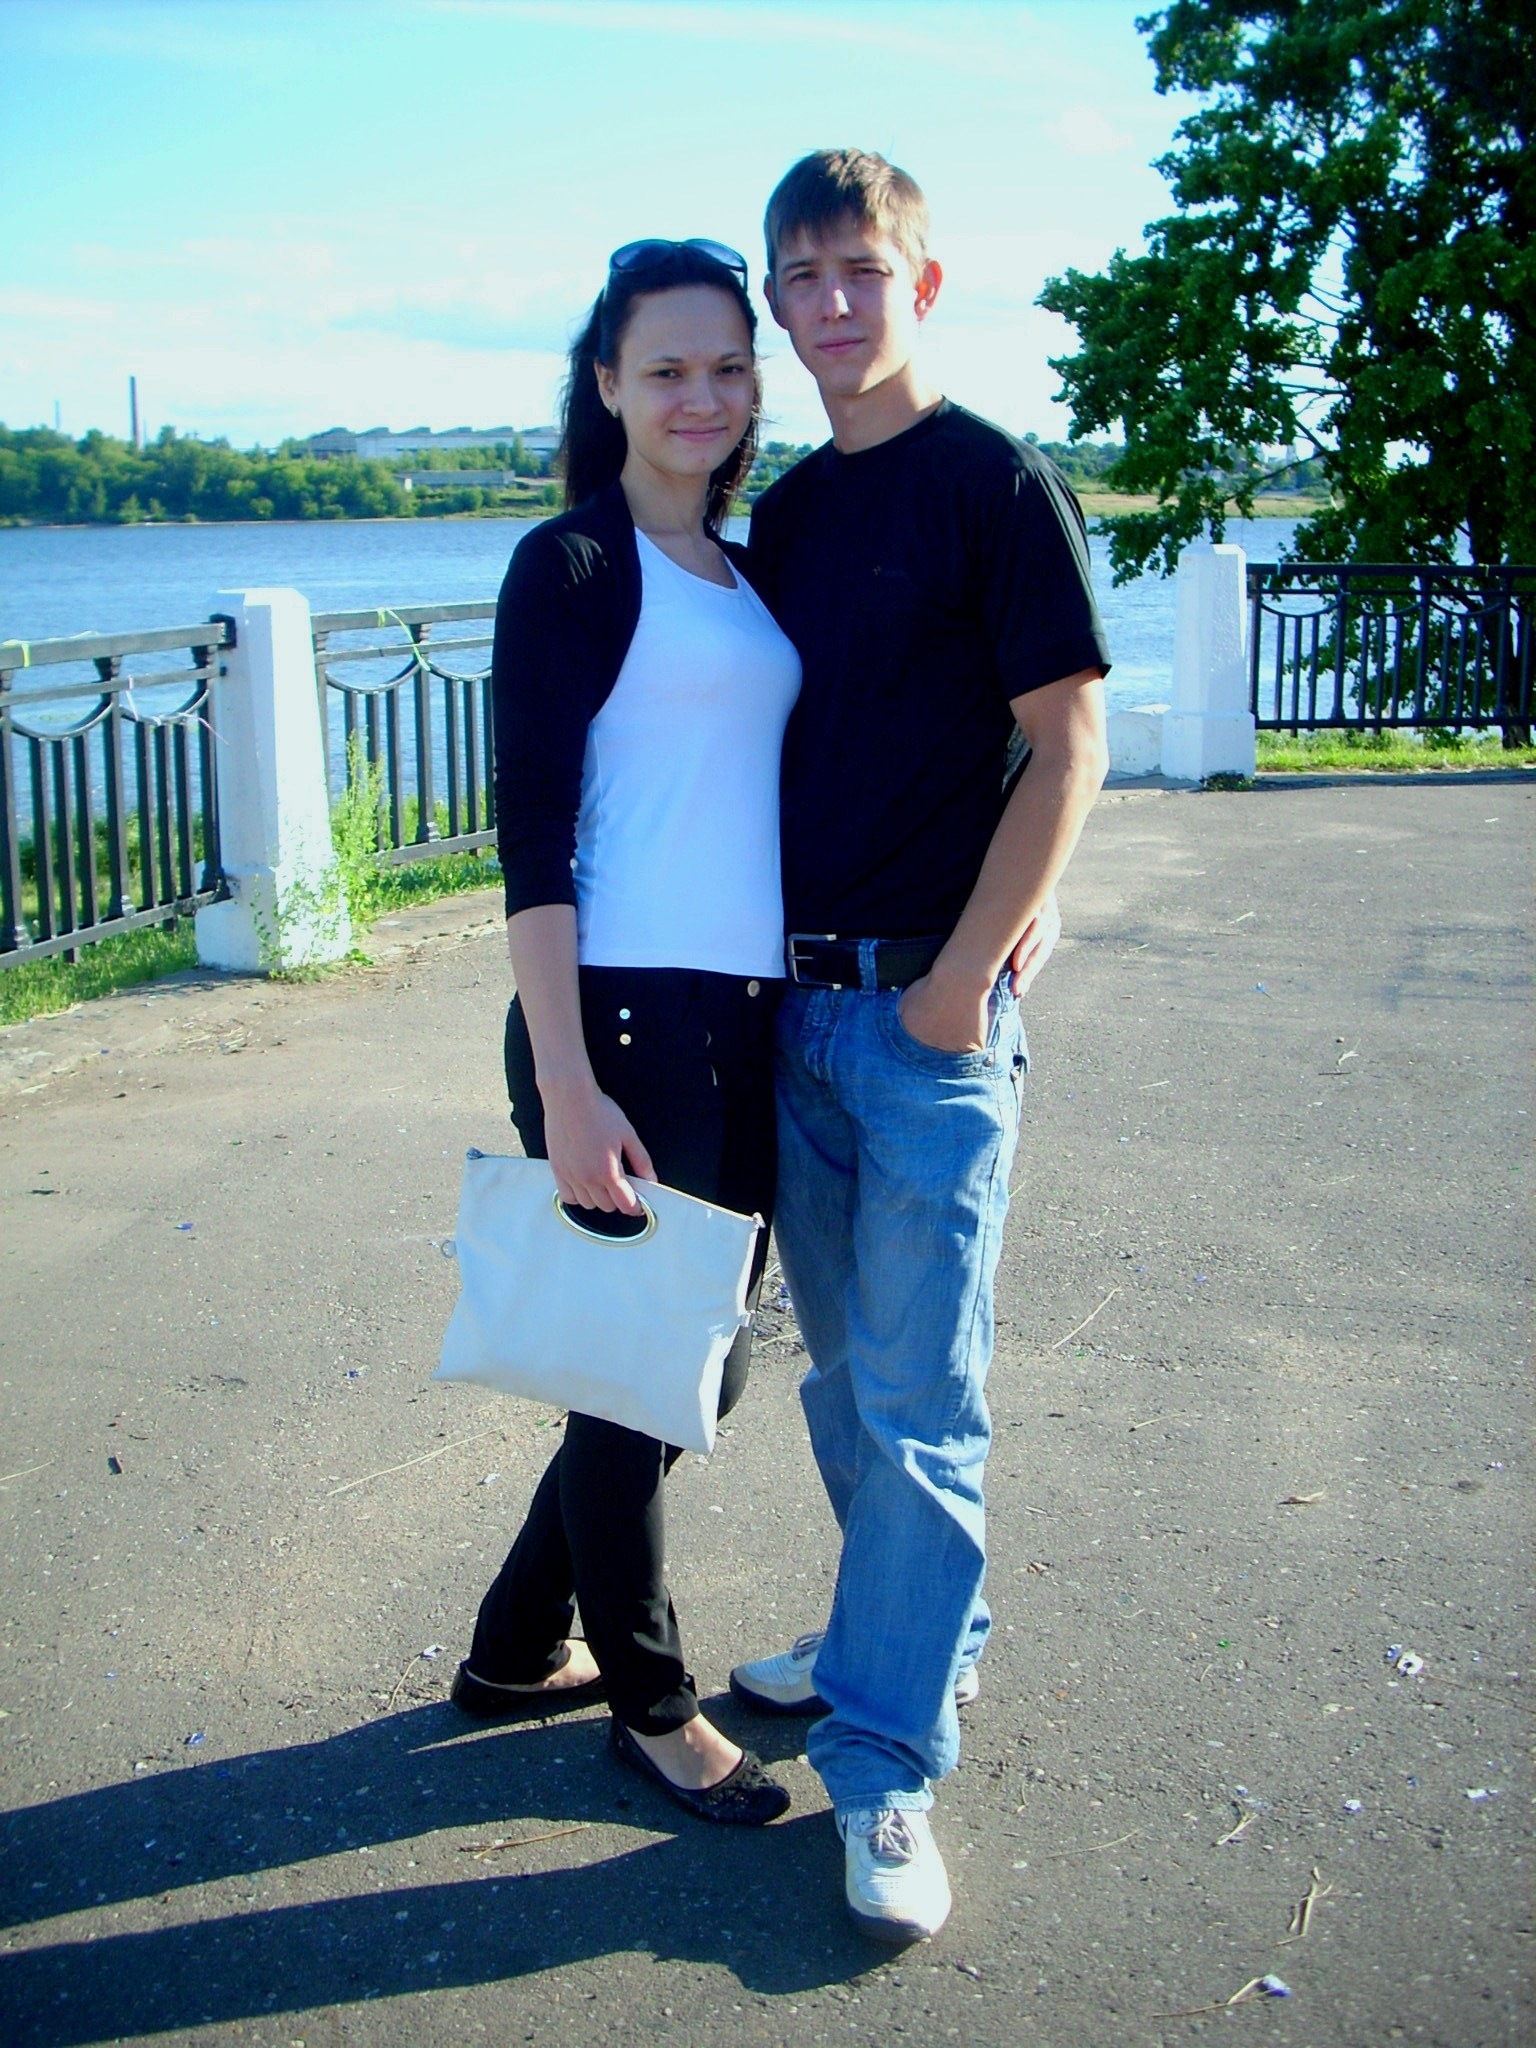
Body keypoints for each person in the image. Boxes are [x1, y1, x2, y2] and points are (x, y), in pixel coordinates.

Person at [729, 150, 1112, 1935]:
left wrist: (965, 971)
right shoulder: (793, 511)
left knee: (920, 1395)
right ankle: (902, 1629)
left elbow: (1070, 742)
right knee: (839, 1380)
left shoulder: (991, 483)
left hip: (923, 1021)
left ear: (923, 285)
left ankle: (885, 1765)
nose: (829, 303)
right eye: (800, 276)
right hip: (794, 1011)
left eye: (860, 270)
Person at [452, 239, 800, 1827]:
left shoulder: (748, 570)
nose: (699, 396)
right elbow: (533, 839)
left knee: (688, 1373)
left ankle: (518, 1644)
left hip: (745, 1016)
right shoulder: (573, 567)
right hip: (622, 1019)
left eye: (727, 365)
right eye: (665, 368)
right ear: (608, 383)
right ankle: (649, 1706)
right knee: (639, 1381)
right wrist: (570, 1082)